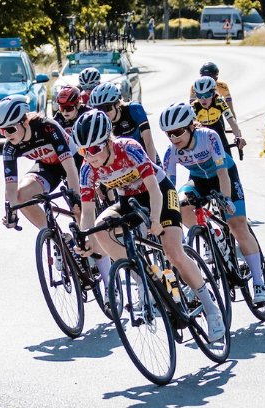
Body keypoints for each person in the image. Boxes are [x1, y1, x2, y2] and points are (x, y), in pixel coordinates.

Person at [72, 110, 226, 340]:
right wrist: (85, 238)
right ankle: (142, 277)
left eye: (94, 149)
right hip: (129, 201)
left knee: (173, 252)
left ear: (107, 141)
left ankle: (211, 309)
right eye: (83, 150)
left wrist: (155, 219)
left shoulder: (128, 148)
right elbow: (86, 212)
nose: (89, 156)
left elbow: (154, 189)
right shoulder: (87, 168)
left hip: (159, 194)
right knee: (100, 227)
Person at [156, 102, 265, 305]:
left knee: (237, 226)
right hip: (198, 180)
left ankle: (259, 282)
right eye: (168, 134)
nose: (174, 138)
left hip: (224, 176)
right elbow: (169, 186)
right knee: (181, 206)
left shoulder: (208, 137)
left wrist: (226, 199)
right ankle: (210, 235)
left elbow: (222, 172)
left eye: (178, 132)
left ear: (191, 126)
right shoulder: (171, 151)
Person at [0, 95, 81, 231]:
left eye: (10, 129)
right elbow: (10, 187)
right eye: (1, 130)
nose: (6, 135)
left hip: (74, 162)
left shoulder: (47, 127)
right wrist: (12, 214)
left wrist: (76, 198)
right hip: (48, 167)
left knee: (80, 211)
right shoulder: (9, 147)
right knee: (22, 196)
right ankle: (58, 237)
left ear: (25, 122)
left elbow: (70, 168)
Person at [88, 82, 158, 173]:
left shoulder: (135, 110)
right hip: (123, 164)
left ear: (117, 103)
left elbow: (148, 142)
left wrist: (153, 167)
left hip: (146, 154)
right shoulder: (98, 122)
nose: (104, 113)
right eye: (99, 110)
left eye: (107, 108)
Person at [191, 76, 245, 157]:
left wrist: (238, 136)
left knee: (228, 159)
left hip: (217, 128)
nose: (203, 99)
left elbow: (231, 119)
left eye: (207, 95)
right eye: (199, 95)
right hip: (202, 130)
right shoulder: (194, 106)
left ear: (213, 93)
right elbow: (190, 126)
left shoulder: (219, 101)